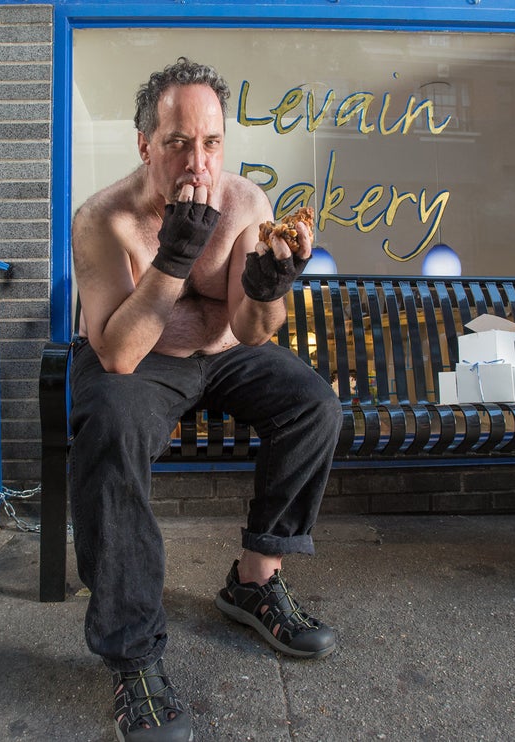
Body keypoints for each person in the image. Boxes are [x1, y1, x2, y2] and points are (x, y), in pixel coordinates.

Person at [69, 58, 343, 741]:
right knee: (110, 427)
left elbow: (252, 330)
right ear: (145, 146)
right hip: (137, 361)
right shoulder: (103, 219)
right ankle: (132, 654)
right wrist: (174, 256)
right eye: (178, 142)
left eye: (212, 142)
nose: (199, 161)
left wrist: (272, 284)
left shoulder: (247, 204)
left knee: (313, 405)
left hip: (222, 358)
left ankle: (255, 579)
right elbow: (118, 354)